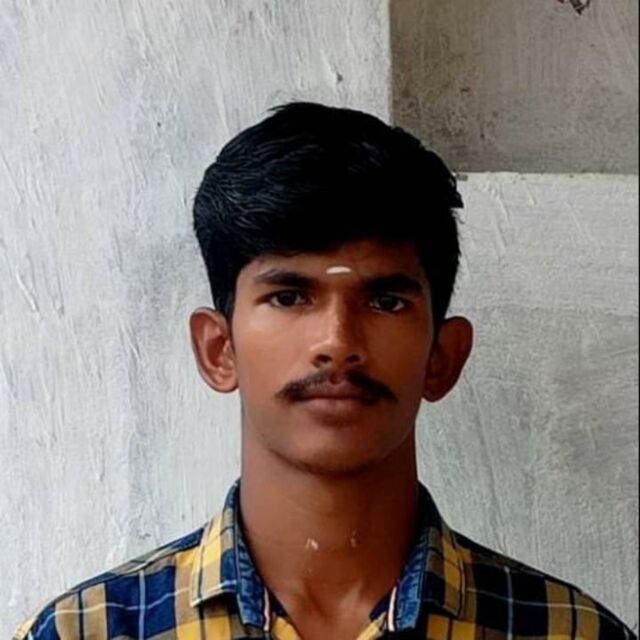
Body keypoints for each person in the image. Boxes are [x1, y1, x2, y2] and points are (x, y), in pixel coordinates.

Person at [14, 102, 635, 640]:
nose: (337, 342)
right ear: (218, 349)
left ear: (442, 358)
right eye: (289, 296)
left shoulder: (568, 631)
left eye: (385, 301)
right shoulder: (83, 631)